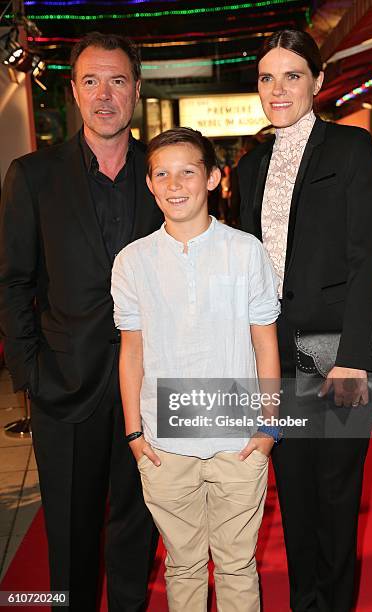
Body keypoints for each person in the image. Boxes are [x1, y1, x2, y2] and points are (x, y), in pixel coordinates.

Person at [0, 32, 163, 611]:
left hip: (150, 392)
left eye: (117, 80)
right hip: (65, 389)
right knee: (69, 540)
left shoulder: (165, 176)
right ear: (72, 91)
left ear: (137, 91)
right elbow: (14, 282)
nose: (104, 95)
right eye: (91, 80)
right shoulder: (33, 176)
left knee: (136, 533)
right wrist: (33, 375)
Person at [238, 29, 372, 612]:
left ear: (318, 82)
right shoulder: (251, 165)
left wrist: (352, 357)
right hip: (274, 349)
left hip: (338, 346)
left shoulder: (349, 149)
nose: (278, 89)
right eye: (267, 77)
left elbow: (363, 259)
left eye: (292, 75)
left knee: (335, 495)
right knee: (295, 497)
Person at [111, 127, 281, 612]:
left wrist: (268, 426)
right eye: (161, 173)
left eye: (188, 171)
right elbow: (132, 353)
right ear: (149, 184)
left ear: (212, 177)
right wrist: (134, 436)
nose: (174, 183)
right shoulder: (132, 261)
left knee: (236, 566)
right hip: (164, 445)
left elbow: (264, 345)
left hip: (237, 439)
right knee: (181, 566)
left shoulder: (246, 251)